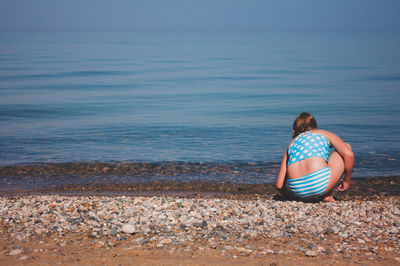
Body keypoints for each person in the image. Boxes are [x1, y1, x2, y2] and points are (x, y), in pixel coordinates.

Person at [276, 112, 354, 202]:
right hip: (319, 184)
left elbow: (279, 185)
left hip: (298, 190)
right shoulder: (324, 133)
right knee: (346, 147)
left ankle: (322, 193)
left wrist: (291, 197)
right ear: (314, 128)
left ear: (294, 131)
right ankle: (326, 195)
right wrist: (346, 180)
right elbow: (349, 155)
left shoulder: (291, 145)